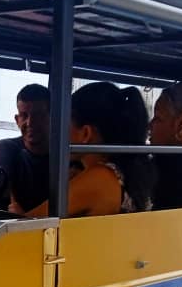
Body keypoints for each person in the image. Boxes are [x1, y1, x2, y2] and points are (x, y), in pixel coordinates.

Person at [18, 82, 155, 217]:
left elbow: (28, 223)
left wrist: (18, 213)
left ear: (85, 134)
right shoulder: (121, 172)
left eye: (65, 124)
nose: (58, 132)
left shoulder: (100, 178)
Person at [0, 84, 51, 212]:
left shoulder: (66, 156)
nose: (30, 123)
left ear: (53, 118)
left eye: (38, 115)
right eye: (24, 115)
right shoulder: (6, 149)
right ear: (17, 120)